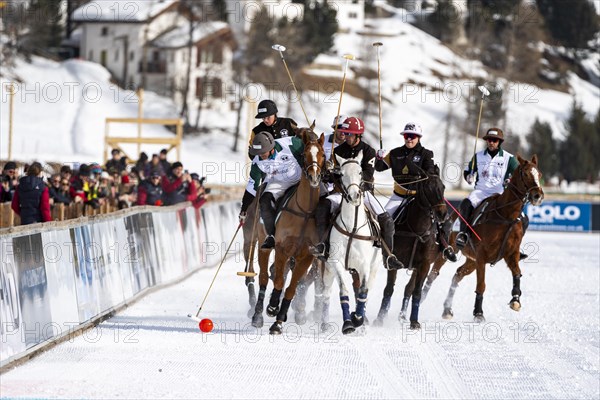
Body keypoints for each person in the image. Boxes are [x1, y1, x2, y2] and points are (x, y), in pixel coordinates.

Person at [309, 116, 404, 270]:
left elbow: (368, 174)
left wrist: (352, 177)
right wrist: (329, 171)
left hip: (363, 193)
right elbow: (333, 177)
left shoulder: (368, 151)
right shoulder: (338, 150)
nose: (346, 137)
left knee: (386, 220)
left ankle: (389, 257)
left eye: (350, 134)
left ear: (358, 135)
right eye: (345, 134)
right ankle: (323, 245)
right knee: (322, 207)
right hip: (341, 193)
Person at [375, 122, 457, 262]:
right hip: (399, 196)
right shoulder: (395, 153)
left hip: (420, 197)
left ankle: (445, 247)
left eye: (412, 136)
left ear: (418, 137)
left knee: (444, 220)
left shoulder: (426, 154)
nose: (409, 139)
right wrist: (379, 157)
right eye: (407, 136)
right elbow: (379, 168)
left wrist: (424, 173)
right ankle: (384, 249)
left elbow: (431, 172)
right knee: (383, 219)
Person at [456, 127, 526, 256]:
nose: (491, 142)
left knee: (523, 218)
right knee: (465, 204)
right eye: (489, 140)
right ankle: (463, 235)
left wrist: (509, 180)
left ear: (499, 142)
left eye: (494, 140)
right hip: (481, 192)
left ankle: (516, 246)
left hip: (499, 193)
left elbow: (517, 175)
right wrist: (468, 176)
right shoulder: (478, 156)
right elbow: (467, 171)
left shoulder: (509, 158)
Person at [239, 131, 304, 249]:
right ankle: (272, 236)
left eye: (263, 152)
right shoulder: (257, 161)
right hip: (279, 182)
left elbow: (312, 150)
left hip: (302, 179)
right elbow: (252, 186)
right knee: (264, 201)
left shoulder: (291, 143)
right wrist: (244, 209)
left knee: (323, 198)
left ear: (271, 148)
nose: (261, 155)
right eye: (257, 153)